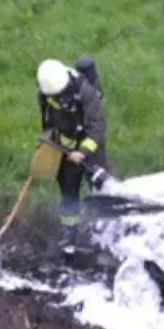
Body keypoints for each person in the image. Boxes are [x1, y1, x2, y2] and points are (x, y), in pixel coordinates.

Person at [36, 56, 113, 233]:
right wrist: (48, 141)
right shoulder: (46, 95)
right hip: (65, 152)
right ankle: (70, 232)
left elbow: (97, 126)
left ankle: (105, 227)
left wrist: (83, 152)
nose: (59, 99)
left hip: (91, 149)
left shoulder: (85, 92)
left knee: (101, 188)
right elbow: (48, 121)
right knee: (69, 194)